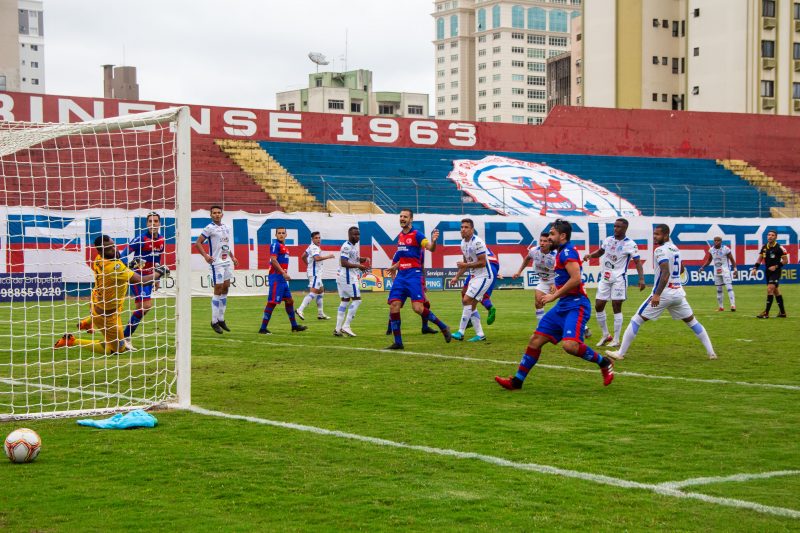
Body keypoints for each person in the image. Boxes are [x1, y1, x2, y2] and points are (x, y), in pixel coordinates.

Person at [495, 219, 614, 391]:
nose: (549, 238)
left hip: (577, 305)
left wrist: (553, 296)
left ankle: (604, 362)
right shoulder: (559, 252)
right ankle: (517, 382)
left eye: (552, 234)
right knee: (535, 340)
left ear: (562, 236)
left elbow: (576, 279)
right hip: (563, 305)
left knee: (570, 346)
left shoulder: (568, 253)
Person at [606, 224, 717, 361]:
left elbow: (665, 272)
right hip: (678, 293)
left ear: (666, 235)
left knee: (636, 320)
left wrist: (657, 294)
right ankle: (711, 353)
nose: (654, 236)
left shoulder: (660, 250)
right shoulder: (675, 248)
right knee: (692, 322)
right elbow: (681, 269)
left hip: (664, 293)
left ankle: (620, 353)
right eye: (654, 234)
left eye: (657, 234)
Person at [55, 235, 168, 354]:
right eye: (109, 248)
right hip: (107, 317)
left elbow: (119, 269)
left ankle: (86, 323)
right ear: (101, 251)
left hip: (102, 302)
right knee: (116, 350)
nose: (114, 249)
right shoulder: (113, 267)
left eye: (114, 246)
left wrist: (130, 265)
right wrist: (159, 273)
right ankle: (72, 341)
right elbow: (142, 280)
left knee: (118, 338)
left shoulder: (99, 258)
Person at [386, 208, 452, 350]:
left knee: (418, 308)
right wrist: (395, 267)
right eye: (401, 216)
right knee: (394, 305)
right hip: (401, 275)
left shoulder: (417, 235)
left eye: (405, 217)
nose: (402, 219)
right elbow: (404, 257)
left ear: (411, 219)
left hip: (414, 275)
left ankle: (443, 327)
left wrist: (433, 241)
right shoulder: (400, 236)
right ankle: (398, 342)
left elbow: (431, 248)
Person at [582, 218, 645, 348]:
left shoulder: (630, 244)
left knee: (616, 306)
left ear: (625, 228)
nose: (616, 229)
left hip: (619, 279)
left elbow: (638, 262)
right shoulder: (608, 240)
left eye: (619, 227)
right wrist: (590, 255)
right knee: (599, 305)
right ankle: (606, 335)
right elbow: (600, 252)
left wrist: (641, 279)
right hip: (605, 277)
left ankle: (616, 339)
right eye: (615, 226)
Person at [117, 211, 165, 349]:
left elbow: (157, 259)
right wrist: (129, 267)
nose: (153, 224)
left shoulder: (161, 239)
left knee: (141, 309)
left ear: (159, 223)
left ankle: (124, 338)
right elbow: (123, 254)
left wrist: (157, 278)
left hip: (150, 277)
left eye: (155, 221)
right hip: (138, 276)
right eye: (150, 221)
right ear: (146, 223)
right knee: (146, 306)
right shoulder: (141, 238)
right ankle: (125, 336)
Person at [195, 205, 239, 334]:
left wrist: (232, 257)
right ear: (211, 215)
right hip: (216, 263)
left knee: (226, 287)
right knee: (218, 288)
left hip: (226, 262)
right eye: (214, 213)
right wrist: (205, 256)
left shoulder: (226, 227)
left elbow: (225, 246)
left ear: (222, 214)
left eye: (219, 212)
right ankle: (214, 321)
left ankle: (221, 319)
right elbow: (198, 243)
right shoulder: (209, 228)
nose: (216, 215)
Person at [450, 219, 492, 342]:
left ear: (472, 229)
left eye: (466, 227)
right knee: (471, 306)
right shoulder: (463, 243)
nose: (463, 229)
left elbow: (482, 263)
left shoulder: (478, 242)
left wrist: (465, 265)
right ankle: (480, 335)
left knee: (466, 300)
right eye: (462, 227)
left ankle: (460, 332)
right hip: (475, 276)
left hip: (485, 276)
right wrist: (456, 277)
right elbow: (466, 263)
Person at [259, 227, 307, 334]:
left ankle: (294, 326)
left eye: (283, 233)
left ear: (286, 235)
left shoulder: (284, 247)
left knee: (290, 301)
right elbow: (273, 260)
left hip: (281, 279)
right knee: (272, 303)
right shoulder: (275, 245)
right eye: (279, 233)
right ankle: (262, 328)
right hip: (276, 277)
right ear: (276, 235)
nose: (281, 234)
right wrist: (283, 273)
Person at [334, 226, 371, 337]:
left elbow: (353, 258)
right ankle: (346, 326)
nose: (357, 236)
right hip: (348, 277)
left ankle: (337, 329)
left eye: (358, 234)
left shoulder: (353, 247)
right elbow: (344, 262)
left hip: (343, 276)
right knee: (357, 300)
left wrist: (363, 259)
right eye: (355, 234)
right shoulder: (346, 246)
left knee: (345, 301)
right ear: (349, 235)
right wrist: (359, 266)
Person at [513, 231, 556, 323]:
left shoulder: (555, 255)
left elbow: (562, 270)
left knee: (567, 303)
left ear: (550, 242)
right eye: (540, 240)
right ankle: (541, 327)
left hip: (558, 281)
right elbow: (527, 259)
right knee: (538, 302)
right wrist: (519, 271)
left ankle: (583, 327)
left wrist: (555, 283)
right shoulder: (534, 251)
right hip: (544, 281)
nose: (542, 243)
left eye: (545, 241)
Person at [296, 231, 334, 321]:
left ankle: (320, 314)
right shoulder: (314, 247)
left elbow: (303, 256)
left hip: (315, 273)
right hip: (315, 274)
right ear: (312, 239)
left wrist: (308, 265)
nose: (318, 239)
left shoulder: (311, 246)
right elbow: (317, 258)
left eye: (319, 238)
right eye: (316, 238)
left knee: (320, 292)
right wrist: (328, 256)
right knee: (313, 293)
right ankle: (300, 309)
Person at [752, 229, 789, 318]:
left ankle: (766, 313)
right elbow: (760, 259)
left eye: (772, 235)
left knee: (769, 289)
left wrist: (775, 266)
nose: (770, 236)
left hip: (776, 271)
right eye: (768, 235)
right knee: (776, 291)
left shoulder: (779, 248)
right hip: (768, 272)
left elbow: (785, 261)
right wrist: (755, 268)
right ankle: (783, 313)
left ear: (776, 237)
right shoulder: (764, 247)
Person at [700, 236, 737, 312]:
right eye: (715, 240)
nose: (716, 242)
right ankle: (721, 307)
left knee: (729, 288)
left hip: (725, 271)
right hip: (716, 271)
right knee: (719, 289)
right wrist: (702, 267)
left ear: (721, 241)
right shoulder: (711, 250)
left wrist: (735, 268)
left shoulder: (726, 249)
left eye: (718, 241)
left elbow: (732, 259)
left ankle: (733, 305)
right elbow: (709, 260)